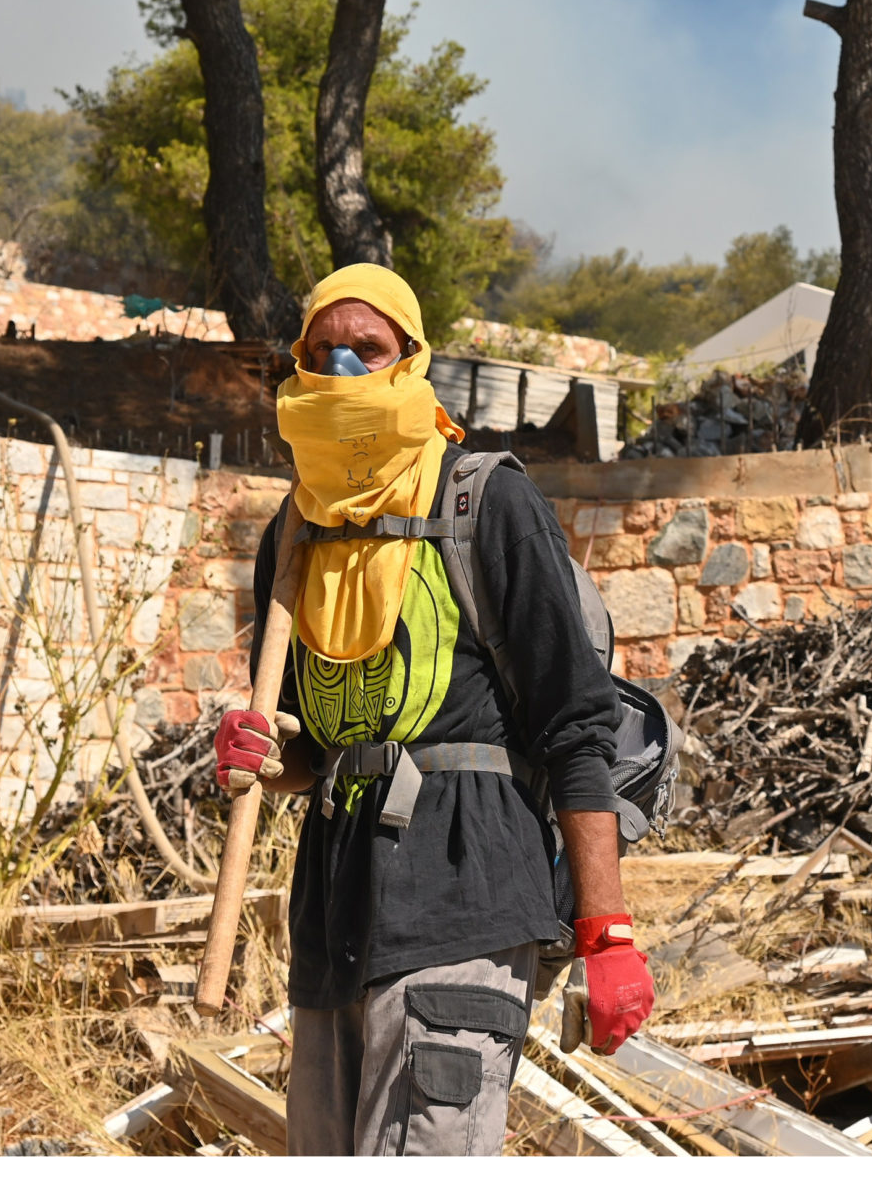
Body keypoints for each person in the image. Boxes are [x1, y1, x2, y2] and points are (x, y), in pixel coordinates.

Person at [212, 264, 654, 1156]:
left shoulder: (486, 502)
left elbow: (576, 729)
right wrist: (262, 750)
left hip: (463, 905)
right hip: (334, 927)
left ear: (411, 360)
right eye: (321, 349)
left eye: (366, 348)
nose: (341, 366)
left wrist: (608, 930)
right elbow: (314, 750)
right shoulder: (295, 532)